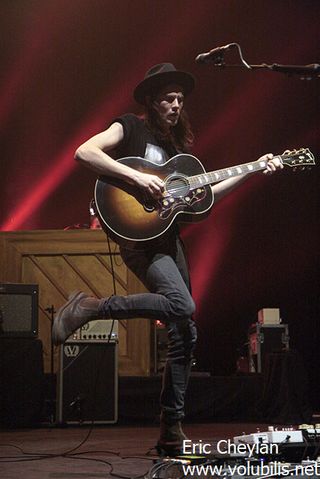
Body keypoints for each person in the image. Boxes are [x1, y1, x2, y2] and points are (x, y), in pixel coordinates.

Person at [52, 63, 283, 455]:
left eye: (180, 99)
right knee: (183, 305)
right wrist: (137, 179)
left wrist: (255, 168)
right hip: (140, 240)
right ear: (151, 99)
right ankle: (91, 307)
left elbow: (207, 202)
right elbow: (84, 153)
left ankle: (170, 432)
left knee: (185, 333)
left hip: (169, 241)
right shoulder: (129, 127)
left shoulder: (180, 156)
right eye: (168, 98)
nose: (176, 105)